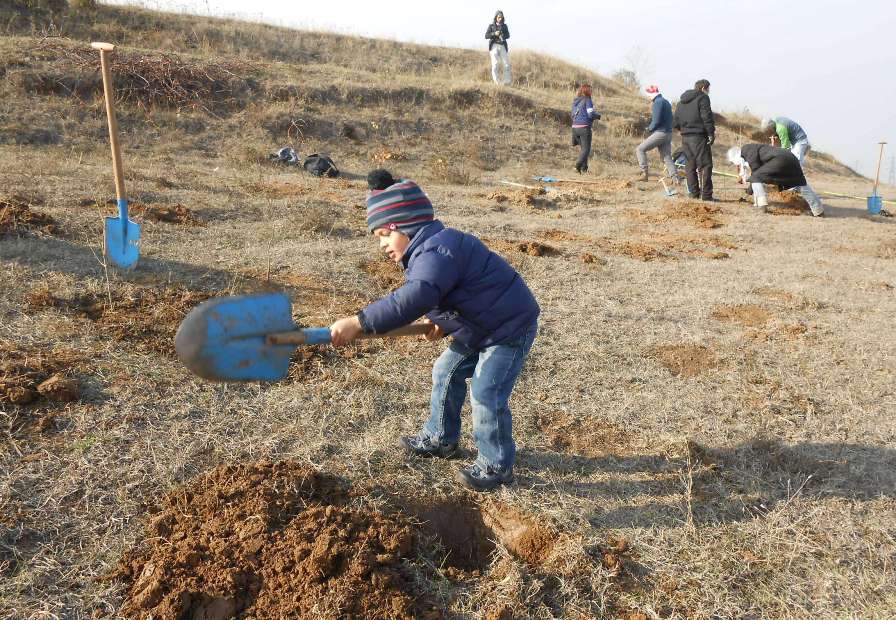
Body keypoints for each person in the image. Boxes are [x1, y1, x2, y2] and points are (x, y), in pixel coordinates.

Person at [329, 169, 540, 491]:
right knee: (445, 370)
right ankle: (441, 437)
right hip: (476, 327)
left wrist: (359, 322)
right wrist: (441, 320)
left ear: (405, 226)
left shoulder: (438, 249)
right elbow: (448, 292)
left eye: (385, 235)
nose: (382, 245)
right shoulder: (429, 250)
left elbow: (419, 294)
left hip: (507, 330)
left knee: (486, 391)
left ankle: (496, 465)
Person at [727, 144, 825, 217]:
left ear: (735, 156)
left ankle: (761, 206)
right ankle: (818, 210)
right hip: (791, 158)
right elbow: (760, 171)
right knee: (800, 183)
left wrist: (749, 191)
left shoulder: (746, 149)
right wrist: (749, 190)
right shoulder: (753, 149)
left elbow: (756, 172)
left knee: (756, 177)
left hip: (780, 159)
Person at [673, 79, 716, 201]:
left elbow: (675, 121)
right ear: (703, 88)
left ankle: (694, 194)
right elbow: (706, 116)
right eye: (708, 89)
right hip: (699, 136)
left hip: (685, 137)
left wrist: (684, 130)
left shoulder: (681, 102)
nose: (708, 92)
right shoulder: (703, 98)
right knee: (705, 165)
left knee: (690, 166)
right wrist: (711, 133)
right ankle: (706, 195)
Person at [635, 85, 676, 182]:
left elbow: (656, 121)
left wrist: (649, 129)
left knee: (640, 149)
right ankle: (675, 178)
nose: (648, 97)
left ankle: (644, 174)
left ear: (652, 94)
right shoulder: (666, 101)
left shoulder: (657, 103)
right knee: (666, 157)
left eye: (648, 94)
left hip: (661, 133)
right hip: (668, 133)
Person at [571, 83, 601, 174]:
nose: (592, 92)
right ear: (587, 91)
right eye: (590, 90)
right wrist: (598, 116)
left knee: (583, 149)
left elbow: (572, 115)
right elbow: (590, 114)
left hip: (574, 128)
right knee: (586, 149)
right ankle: (577, 166)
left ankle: (584, 169)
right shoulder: (588, 100)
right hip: (584, 128)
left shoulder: (575, 101)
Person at [485, 10, 511, 85]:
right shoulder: (491, 26)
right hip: (494, 45)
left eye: (501, 17)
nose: (500, 18)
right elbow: (486, 36)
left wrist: (503, 36)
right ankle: (497, 82)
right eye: (499, 17)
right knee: (495, 64)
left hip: (502, 45)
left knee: (506, 64)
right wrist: (494, 33)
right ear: (496, 17)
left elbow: (508, 35)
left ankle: (506, 82)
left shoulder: (505, 26)